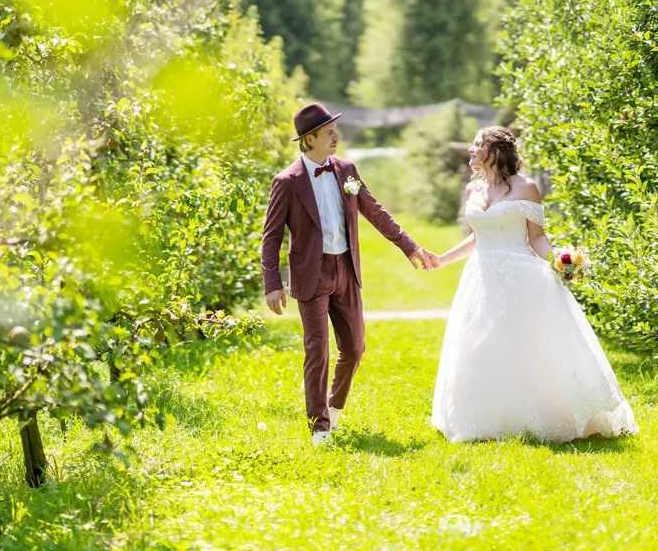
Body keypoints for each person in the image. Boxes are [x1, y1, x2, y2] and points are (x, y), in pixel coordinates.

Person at [425, 126, 638, 443]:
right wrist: (443, 259)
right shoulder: (473, 189)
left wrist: (561, 262)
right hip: (480, 277)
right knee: (479, 344)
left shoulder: (526, 187)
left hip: (519, 276)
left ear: (495, 152)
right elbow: (478, 237)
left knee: (524, 346)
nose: (471, 149)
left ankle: (543, 416)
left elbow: (536, 237)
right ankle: (485, 417)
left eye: (477, 144)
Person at [260, 102, 432, 446]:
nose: (336, 137)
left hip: (346, 269)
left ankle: (334, 407)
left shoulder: (347, 170)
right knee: (318, 351)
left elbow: (375, 211)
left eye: (335, 131)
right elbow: (271, 236)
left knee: (354, 347)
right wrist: (272, 284)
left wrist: (409, 246)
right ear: (310, 139)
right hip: (311, 275)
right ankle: (319, 428)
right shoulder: (287, 181)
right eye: (328, 133)